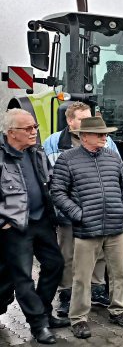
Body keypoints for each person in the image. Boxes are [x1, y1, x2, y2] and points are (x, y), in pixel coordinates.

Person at [50, 117, 123, 339]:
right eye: (99, 134)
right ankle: (78, 318)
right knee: (81, 277)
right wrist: (79, 214)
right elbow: (57, 192)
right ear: (83, 136)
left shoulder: (113, 157)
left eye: (105, 133)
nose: (104, 137)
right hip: (87, 229)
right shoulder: (67, 159)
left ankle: (117, 310)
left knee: (119, 273)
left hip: (116, 226)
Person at [43, 101, 118, 317]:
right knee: (68, 254)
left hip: (99, 212)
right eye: (83, 119)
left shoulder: (107, 141)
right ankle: (67, 294)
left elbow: (116, 172)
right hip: (69, 213)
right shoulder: (54, 142)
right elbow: (52, 180)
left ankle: (96, 288)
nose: (88, 124)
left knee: (100, 253)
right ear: (70, 121)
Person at [0, 109, 66, 344]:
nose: (34, 132)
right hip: (15, 227)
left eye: (35, 127)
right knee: (23, 278)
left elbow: (49, 182)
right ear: (11, 133)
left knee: (55, 265)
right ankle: (39, 325)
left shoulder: (36, 153)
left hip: (42, 221)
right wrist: (3, 222)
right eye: (27, 128)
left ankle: (45, 312)